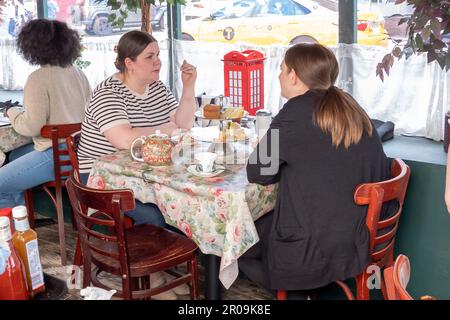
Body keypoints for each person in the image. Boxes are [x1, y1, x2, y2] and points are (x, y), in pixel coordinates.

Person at [239, 43, 392, 299]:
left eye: (281, 69)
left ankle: (296, 291)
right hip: (362, 232)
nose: (278, 75)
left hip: (319, 243)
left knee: (238, 234)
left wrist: (276, 154)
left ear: (294, 76)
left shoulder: (294, 112)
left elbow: (258, 171)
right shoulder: (349, 105)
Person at [76, 30, 196, 299]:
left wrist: (188, 87)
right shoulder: (108, 93)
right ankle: (154, 276)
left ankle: (162, 266)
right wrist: (164, 129)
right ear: (129, 63)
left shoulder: (157, 87)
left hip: (144, 175)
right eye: (150, 57)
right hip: (100, 180)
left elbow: (183, 124)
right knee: (155, 214)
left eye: (158, 55)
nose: (158, 62)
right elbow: (123, 139)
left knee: (182, 202)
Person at [0, 19, 91, 209]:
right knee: (16, 156)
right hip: (81, 154)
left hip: (56, 157)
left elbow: (31, 126)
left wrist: (12, 112)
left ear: (31, 46)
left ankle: (17, 230)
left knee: (2, 184)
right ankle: (22, 213)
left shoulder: (38, 78)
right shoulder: (78, 73)